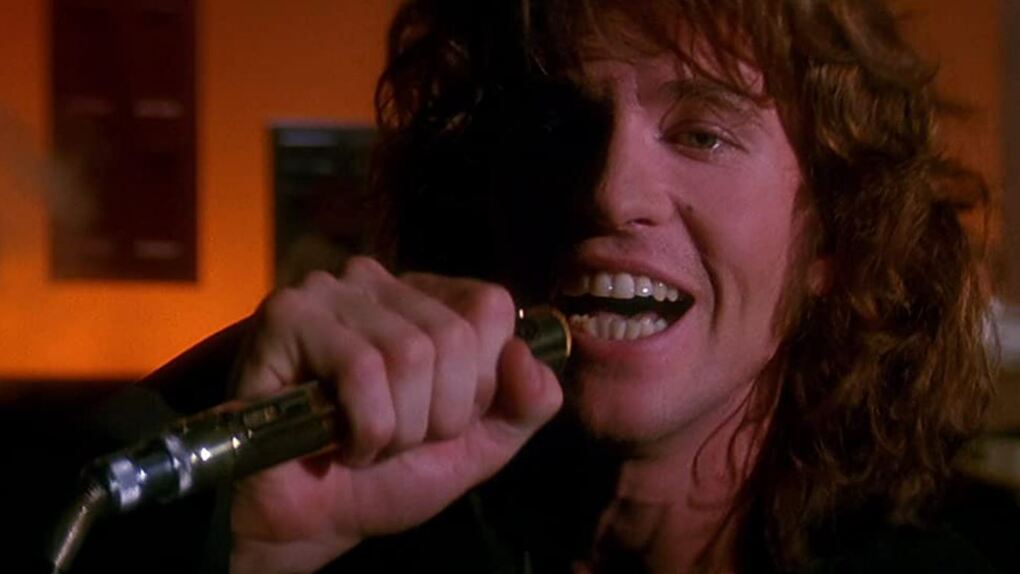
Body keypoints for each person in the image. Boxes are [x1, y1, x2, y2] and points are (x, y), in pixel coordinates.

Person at [41, 0, 998, 572]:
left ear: (836, 238)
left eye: (702, 133)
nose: (611, 191)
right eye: (558, 126)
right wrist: (243, 552)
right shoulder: (358, 531)